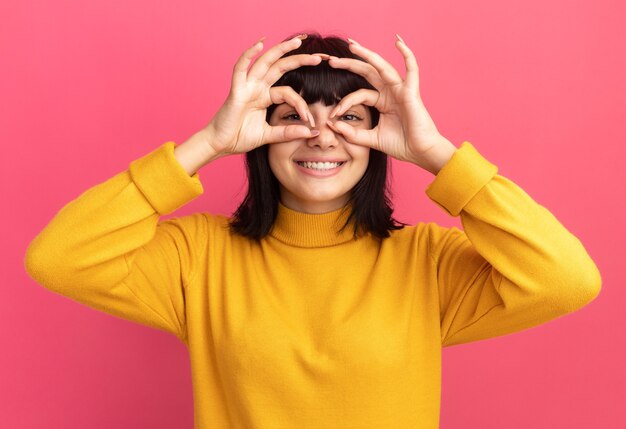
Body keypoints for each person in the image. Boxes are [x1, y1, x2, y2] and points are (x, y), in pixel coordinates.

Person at [24, 31, 601, 429]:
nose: (322, 137)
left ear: (381, 137)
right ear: (257, 135)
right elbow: (59, 258)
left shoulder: (428, 262)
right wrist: (207, 144)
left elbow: (567, 280)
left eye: (350, 117)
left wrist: (438, 155)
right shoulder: (198, 255)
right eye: (292, 116)